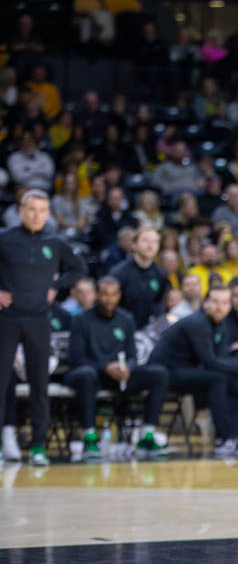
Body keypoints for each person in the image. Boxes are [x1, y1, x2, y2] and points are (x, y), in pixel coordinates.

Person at [0, 190, 86, 466]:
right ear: (21, 211)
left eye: (42, 210)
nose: (37, 215)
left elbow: (79, 268)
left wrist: (56, 286)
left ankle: (38, 446)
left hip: (38, 320)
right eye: (32, 209)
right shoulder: (6, 239)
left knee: (39, 384)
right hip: (8, 320)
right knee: (1, 384)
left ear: (49, 213)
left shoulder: (55, 243)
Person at [149, 286, 238, 457]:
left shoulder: (220, 324)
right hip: (166, 373)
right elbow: (209, 361)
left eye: (225, 302)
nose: (220, 307)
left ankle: (235, 435)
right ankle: (225, 438)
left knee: (231, 378)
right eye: (216, 302)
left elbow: (221, 357)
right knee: (218, 378)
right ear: (206, 303)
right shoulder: (198, 323)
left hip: (188, 370)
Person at [63, 276, 170, 459]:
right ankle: (89, 437)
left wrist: (127, 367)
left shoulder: (126, 319)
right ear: (97, 295)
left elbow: (132, 355)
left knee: (159, 373)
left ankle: (148, 435)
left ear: (119, 296)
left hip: (119, 376)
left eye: (113, 295)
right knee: (86, 374)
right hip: (91, 374)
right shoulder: (81, 320)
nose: (109, 299)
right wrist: (105, 367)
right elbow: (77, 358)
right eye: (104, 294)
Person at [111, 226, 167, 329]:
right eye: (145, 241)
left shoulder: (160, 274)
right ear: (134, 245)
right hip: (121, 329)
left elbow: (159, 305)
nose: (150, 245)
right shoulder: (119, 273)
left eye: (155, 242)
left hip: (147, 332)